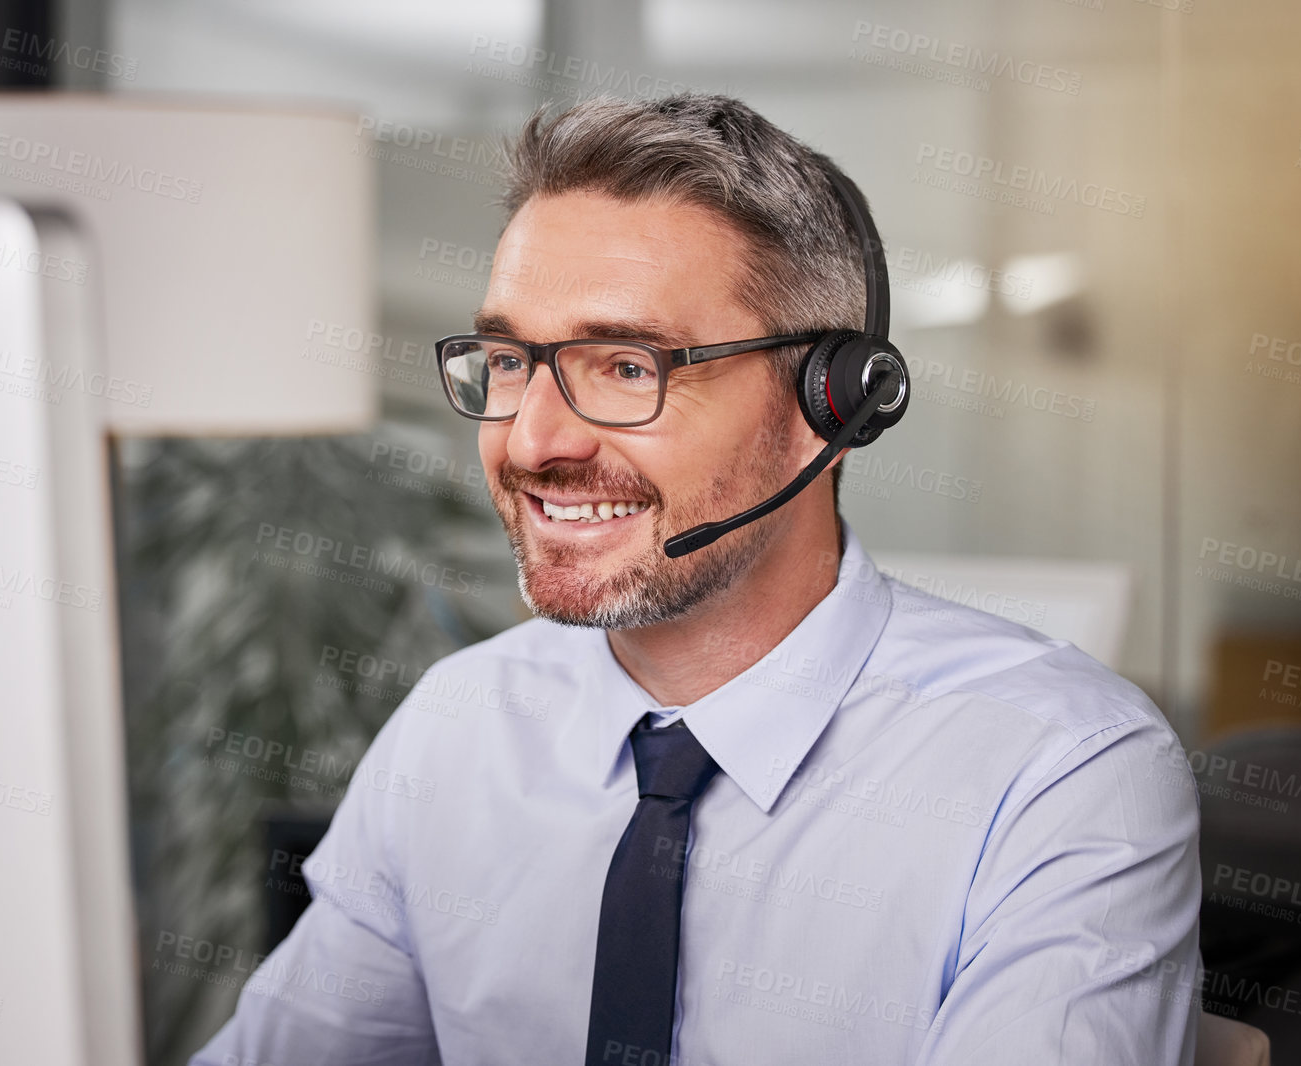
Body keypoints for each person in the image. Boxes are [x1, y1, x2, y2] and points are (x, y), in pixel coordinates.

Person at [192, 92, 1201, 1065]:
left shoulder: (1060, 773)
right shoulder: (461, 725)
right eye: (508, 361)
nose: (533, 441)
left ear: (830, 404)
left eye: (627, 367)